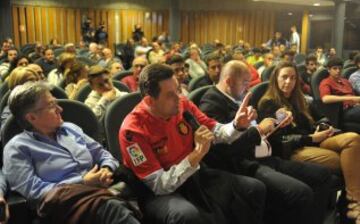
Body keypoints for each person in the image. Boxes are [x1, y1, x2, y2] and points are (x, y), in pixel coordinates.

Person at [119, 64, 266, 224]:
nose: (179, 97)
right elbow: (160, 185)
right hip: (158, 192)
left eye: (178, 89)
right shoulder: (132, 131)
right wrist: (196, 155)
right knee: (187, 215)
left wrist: (237, 125)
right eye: (170, 94)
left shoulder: (182, 105)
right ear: (150, 100)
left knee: (253, 189)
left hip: (193, 173)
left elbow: (216, 132)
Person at [199, 60, 332, 224]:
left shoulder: (238, 96)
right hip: (245, 163)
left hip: (266, 154)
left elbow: (261, 129)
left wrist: (276, 122)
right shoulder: (211, 104)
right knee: (301, 193)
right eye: (245, 83)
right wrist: (259, 130)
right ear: (229, 81)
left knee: (323, 175)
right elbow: (221, 149)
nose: (248, 87)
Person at [3, 81, 140, 224]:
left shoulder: (70, 129)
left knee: (120, 200)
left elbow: (103, 154)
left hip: (100, 192)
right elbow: (33, 192)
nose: (60, 109)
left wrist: (106, 170)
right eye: (51, 106)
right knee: (112, 207)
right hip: (62, 209)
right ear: (32, 118)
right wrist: (83, 182)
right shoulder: (17, 148)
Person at [257, 61, 360, 222]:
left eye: (292, 78)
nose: (288, 82)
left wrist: (322, 126)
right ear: (275, 79)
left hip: (316, 140)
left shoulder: (300, 99)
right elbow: (279, 140)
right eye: (284, 77)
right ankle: (351, 206)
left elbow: (321, 117)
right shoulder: (269, 103)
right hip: (295, 149)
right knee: (349, 160)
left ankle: (351, 203)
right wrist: (311, 138)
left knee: (354, 139)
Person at [320, 57, 360, 124]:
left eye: (340, 68)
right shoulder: (325, 82)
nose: (338, 71)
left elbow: (354, 97)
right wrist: (349, 98)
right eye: (335, 68)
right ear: (329, 70)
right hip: (341, 111)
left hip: (354, 107)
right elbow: (325, 98)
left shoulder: (346, 81)